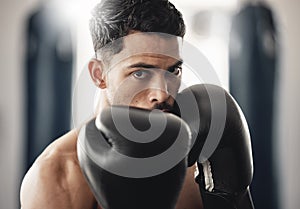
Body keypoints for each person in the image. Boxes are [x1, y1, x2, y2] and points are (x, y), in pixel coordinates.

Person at [20, 0, 254, 209]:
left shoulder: (198, 154)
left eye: (173, 71)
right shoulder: (57, 176)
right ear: (99, 74)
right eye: (140, 73)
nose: (162, 94)